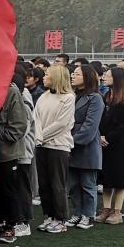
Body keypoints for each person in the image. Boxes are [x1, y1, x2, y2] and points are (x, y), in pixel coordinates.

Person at [0, 74, 31, 244]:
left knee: (8, 189)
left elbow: (20, 123)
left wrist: (5, 137)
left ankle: (11, 225)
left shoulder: (11, 91)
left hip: (7, 151)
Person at [33, 64, 75, 234]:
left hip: (58, 146)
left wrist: (40, 136)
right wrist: (38, 136)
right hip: (42, 145)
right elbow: (35, 118)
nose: (44, 77)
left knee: (57, 184)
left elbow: (62, 124)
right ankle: (49, 216)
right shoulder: (43, 96)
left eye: (47, 74)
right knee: (44, 184)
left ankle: (60, 218)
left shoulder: (68, 97)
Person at [67, 64, 104, 228]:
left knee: (88, 183)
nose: (73, 76)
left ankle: (88, 215)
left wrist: (71, 140)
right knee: (74, 184)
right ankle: (77, 213)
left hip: (86, 146)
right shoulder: (72, 96)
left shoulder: (95, 98)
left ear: (87, 77)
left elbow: (90, 126)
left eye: (77, 74)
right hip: (70, 144)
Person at [97, 66, 124, 223]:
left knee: (119, 180)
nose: (104, 77)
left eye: (108, 75)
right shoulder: (106, 96)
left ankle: (117, 212)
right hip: (105, 144)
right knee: (107, 179)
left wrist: (109, 137)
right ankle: (106, 209)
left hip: (120, 145)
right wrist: (101, 136)